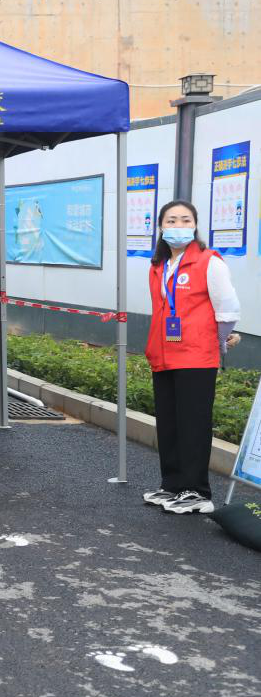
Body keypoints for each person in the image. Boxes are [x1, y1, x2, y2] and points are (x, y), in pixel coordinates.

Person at [144, 200, 241, 515]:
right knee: (169, 423)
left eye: (185, 220)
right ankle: (172, 485)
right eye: (171, 220)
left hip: (196, 356)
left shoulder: (209, 262)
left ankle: (197, 491)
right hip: (164, 354)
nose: (178, 225)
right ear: (161, 227)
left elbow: (228, 309)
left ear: (195, 225)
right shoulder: (159, 266)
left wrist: (219, 341)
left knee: (192, 424)